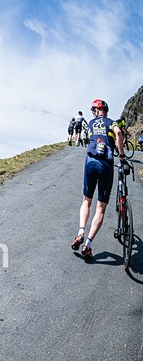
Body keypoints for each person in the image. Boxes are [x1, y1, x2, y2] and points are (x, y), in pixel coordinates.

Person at [71, 98, 128, 260]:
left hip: (90, 162)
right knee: (100, 207)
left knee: (86, 200)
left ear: (96, 111)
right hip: (106, 164)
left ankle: (81, 232)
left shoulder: (90, 124)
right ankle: (88, 244)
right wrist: (122, 157)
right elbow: (118, 133)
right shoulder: (112, 122)